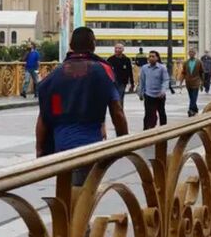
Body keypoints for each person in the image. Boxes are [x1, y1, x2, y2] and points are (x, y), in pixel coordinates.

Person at [35, 27, 129, 186]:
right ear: (93, 45)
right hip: (90, 146)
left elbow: (46, 116)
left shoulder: (54, 76)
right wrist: (124, 141)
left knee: (66, 193)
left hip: (61, 146)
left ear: (71, 45)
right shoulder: (101, 71)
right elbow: (117, 111)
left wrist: (40, 151)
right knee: (84, 196)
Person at [137, 51, 170, 130]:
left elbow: (166, 80)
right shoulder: (144, 68)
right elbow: (142, 81)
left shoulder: (162, 68)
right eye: (150, 56)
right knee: (148, 114)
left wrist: (163, 91)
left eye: (153, 56)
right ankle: (146, 130)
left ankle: (164, 129)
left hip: (160, 95)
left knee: (161, 113)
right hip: (148, 95)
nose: (151, 58)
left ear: (157, 58)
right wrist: (140, 93)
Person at [107, 43, 135, 108]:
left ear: (123, 50)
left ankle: (120, 113)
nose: (117, 50)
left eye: (119, 48)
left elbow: (130, 72)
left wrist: (132, 83)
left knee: (120, 98)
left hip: (122, 82)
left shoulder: (126, 60)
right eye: (116, 48)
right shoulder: (110, 59)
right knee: (113, 99)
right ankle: (115, 113)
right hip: (112, 83)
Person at [179, 49, 204, 117]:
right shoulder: (186, 62)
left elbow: (201, 73)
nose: (191, 54)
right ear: (188, 54)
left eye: (192, 52)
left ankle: (190, 110)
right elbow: (183, 73)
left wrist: (202, 83)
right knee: (191, 97)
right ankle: (195, 108)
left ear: (195, 53)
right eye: (190, 52)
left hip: (196, 82)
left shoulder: (199, 62)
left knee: (194, 97)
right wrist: (181, 83)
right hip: (188, 82)